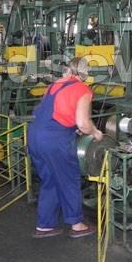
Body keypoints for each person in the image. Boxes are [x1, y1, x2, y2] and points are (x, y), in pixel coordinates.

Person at [28, 57, 104, 238]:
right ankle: (77, 224)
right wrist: (95, 132)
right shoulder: (82, 89)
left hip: (35, 136)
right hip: (54, 140)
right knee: (69, 179)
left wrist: (72, 127)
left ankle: (45, 225)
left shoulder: (54, 85)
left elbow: (57, 112)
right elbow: (83, 123)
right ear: (85, 73)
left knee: (50, 180)